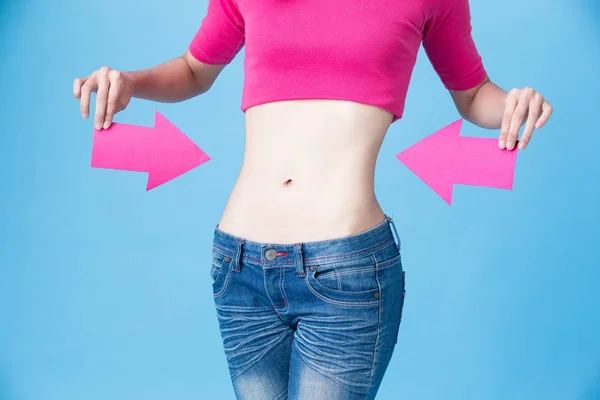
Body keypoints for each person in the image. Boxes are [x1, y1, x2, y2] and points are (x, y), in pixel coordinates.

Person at [73, 0, 553, 397]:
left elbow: (473, 96)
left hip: (345, 270)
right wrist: (131, 83)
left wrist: (513, 103)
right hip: (239, 266)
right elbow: (195, 70)